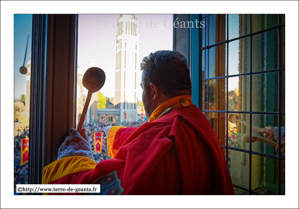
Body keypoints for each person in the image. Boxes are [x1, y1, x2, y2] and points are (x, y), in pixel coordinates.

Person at [42, 50, 234, 195]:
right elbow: (149, 136)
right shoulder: (197, 119)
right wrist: (112, 133)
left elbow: (100, 190)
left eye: (142, 88)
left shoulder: (165, 135)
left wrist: (76, 154)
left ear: (153, 91)